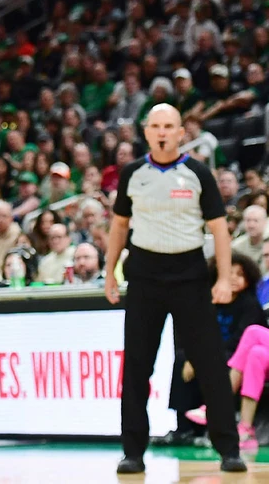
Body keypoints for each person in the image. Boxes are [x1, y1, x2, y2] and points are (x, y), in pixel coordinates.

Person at [105, 103, 247, 474]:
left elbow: (219, 229)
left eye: (169, 126)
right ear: (146, 132)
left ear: (181, 132)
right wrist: (109, 273)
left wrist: (222, 277)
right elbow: (119, 226)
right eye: (156, 126)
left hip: (190, 274)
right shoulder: (133, 173)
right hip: (144, 275)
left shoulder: (198, 173)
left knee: (210, 364)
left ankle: (228, 449)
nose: (163, 132)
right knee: (137, 367)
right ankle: (133, 452)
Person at [173, 253, 267, 449]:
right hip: (241, 353)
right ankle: (244, 429)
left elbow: (237, 341)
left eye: (240, 274)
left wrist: (206, 355)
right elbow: (192, 333)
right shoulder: (207, 300)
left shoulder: (250, 304)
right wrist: (196, 356)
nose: (233, 278)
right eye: (229, 273)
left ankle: (214, 406)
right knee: (255, 354)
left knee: (250, 334)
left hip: (228, 353)